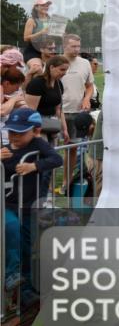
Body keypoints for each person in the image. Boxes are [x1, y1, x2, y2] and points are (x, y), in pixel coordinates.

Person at [3, 108, 63, 305]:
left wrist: (33, 166)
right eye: (12, 132)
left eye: (20, 133)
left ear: (36, 131)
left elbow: (57, 159)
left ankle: (25, 290)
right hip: (9, 204)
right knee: (12, 231)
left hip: (30, 206)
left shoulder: (39, 144)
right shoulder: (5, 149)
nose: (14, 137)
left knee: (29, 247)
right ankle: (11, 274)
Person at [24, 55, 70, 149]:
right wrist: (35, 131)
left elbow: (59, 109)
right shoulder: (37, 83)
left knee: (53, 155)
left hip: (52, 125)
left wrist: (65, 130)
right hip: (38, 127)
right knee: (42, 155)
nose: (64, 73)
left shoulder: (58, 83)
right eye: (62, 70)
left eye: (66, 70)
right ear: (51, 67)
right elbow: (30, 110)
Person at [21, 0, 52, 65]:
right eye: (43, 5)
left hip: (48, 50)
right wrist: (41, 32)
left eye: (47, 5)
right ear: (36, 7)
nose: (46, 7)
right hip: (33, 51)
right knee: (37, 68)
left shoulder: (50, 20)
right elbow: (26, 38)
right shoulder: (31, 20)